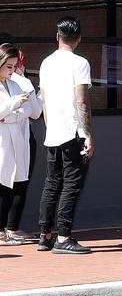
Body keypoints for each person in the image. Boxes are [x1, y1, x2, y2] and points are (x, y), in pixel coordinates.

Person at [37, 17, 94, 254]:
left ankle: (45, 235)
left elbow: (44, 99)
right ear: (79, 38)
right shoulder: (80, 63)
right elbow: (81, 100)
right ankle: (63, 236)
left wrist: (50, 127)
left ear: (57, 36)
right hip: (73, 132)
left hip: (53, 132)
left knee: (52, 183)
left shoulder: (46, 63)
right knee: (72, 184)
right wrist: (88, 133)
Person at [0, 44, 43, 245]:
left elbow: (29, 111)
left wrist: (11, 114)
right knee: (2, 182)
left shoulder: (16, 84)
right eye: (8, 67)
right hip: (2, 141)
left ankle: (8, 230)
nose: (13, 71)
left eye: (14, 66)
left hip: (16, 137)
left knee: (16, 181)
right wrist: (13, 106)